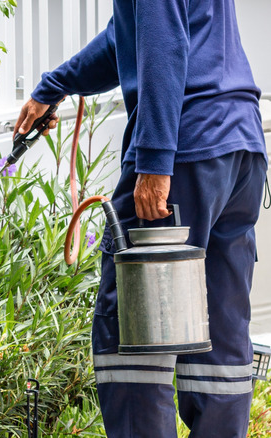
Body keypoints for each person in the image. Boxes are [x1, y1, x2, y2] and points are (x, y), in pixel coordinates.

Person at [14, 2, 267, 437]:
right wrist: (54, 86)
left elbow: (162, 45)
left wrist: (154, 163)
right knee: (219, 325)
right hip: (238, 149)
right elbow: (125, 40)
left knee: (132, 329)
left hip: (183, 147)